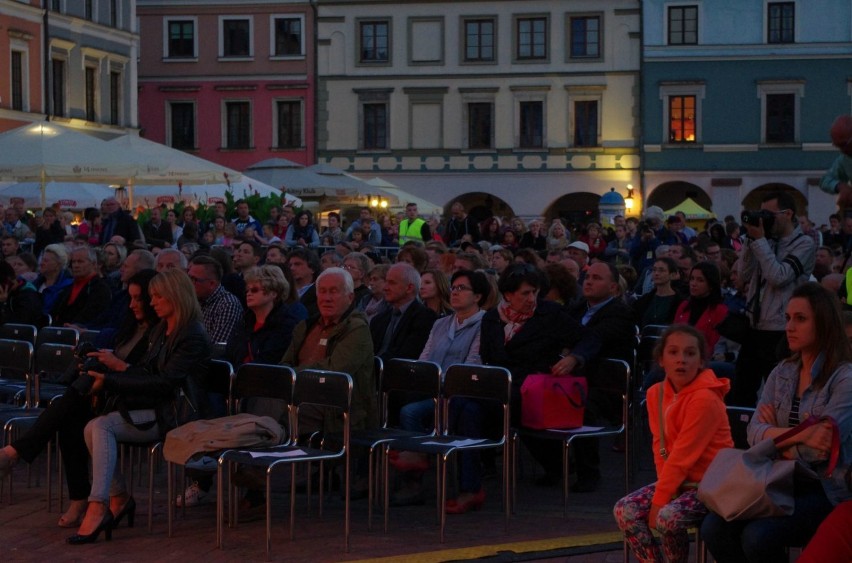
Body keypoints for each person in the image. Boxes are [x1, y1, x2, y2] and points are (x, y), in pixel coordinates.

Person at [702, 282, 852, 561]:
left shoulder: (844, 379)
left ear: (824, 324)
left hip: (823, 487)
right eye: (787, 318)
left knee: (758, 536)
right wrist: (798, 434)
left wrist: (774, 440)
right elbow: (752, 431)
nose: (789, 327)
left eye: (801, 319)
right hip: (775, 478)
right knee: (714, 528)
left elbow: (819, 449)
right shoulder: (783, 371)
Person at [0, 270, 158, 530]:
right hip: (110, 391)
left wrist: (116, 365)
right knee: (70, 415)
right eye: (130, 298)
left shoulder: (159, 332)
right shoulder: (130, 325)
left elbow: (146, 374)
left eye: (138, 299)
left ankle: (16, 454)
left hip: (134, 399)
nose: (132, 304)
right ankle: (77, 497)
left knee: (70, 405)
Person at [68, 268, 211, 544]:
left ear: (175, 296)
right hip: (156, 406)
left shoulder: (191, 335)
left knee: (100, 425)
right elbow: (145, 370)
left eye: (157, 296)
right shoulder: (162, 329)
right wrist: (109, 376)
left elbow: (165, 383)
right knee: (90, 427)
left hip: (177, 415)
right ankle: (118, 496)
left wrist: (111, 380)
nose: (152, 302)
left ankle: (98, 505)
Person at [614, 325, 733, 563]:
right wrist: (666, 489)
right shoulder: (655, 394)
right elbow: (661, 447)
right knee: (624, 510)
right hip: (679, 480)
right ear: (661, 360)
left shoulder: (705, 398)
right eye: (674, 352)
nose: (681, 360)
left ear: (701, 362)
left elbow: (683, 456)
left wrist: (661, 499)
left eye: (690, 354)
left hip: (709, 486)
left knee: (666, 517)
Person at [391, 269, 492, 509]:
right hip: (435, 390)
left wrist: (438, 381)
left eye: (462, 288)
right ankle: (414, 470)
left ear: (477, 296)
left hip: (461, 393)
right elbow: (424, 359)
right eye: (453, 288)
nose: (455, 293)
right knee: (400, 399)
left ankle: (419, 459)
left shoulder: (485, 324)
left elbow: (471, 366)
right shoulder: (440, 324)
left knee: (412, 412)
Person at [730, 191, 815, 406]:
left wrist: (760, 242)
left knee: (778, 396)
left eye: (768, 214)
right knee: (742, 391)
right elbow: (742, 276)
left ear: (787, 214)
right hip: (754, 327)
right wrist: (751, 242)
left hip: (781, 330)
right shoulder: (764, 241)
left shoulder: (804, 244)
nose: (763, 219)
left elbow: (779, 276)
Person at [370, 262, 437, 362]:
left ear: (409, 288)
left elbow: (407, 355)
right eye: (386, 282)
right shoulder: (378, 320)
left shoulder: (425, 317)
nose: (385, 288)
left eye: (392, 283)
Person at [672, 262, 728, 358]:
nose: (693, 284)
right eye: (692, 279)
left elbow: (715, 344)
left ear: (711, 284)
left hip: (704, 360)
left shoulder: (720, 311)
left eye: (700, 280)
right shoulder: (684, 306)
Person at [51, 247, 112, 327]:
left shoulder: (101, 289)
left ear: (94, 264)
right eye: (73, 262)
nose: (76, 265)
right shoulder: (66, 289)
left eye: (80, 262)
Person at [632, 257, 683, 329]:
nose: (656, 273)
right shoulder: (643, 301)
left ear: (672, 275)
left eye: (661, 270)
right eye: (654, 270)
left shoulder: (680, 302)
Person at [820, 114, 852, 208]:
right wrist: (839, 186)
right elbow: (825, 180)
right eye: (837, 146)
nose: (841, 150)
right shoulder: (845, 159)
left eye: (843, 144)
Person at [0, 259, 43, 326]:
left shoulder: (28, 297)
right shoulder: (10, 294)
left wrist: (3, 304)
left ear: (6, 282)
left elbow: (17, 326)